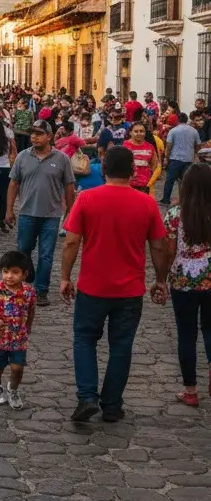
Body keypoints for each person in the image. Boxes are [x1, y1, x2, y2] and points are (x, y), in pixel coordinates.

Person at [61, 146, 168, 423]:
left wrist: (64, 277)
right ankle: (111, 404)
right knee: (121, 346)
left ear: (103, 169)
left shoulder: (86, 200)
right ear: (133, 171)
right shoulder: (147, 204)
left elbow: (71, 242)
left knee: (85, 339)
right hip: (130, 290)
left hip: (92, 286)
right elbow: (158, 247)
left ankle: (87, 396)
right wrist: (160, 279)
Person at [6, 122, 76, 307]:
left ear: (49, 136)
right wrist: (9, 210)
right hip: (27, 213)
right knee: (24, 250)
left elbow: (69, 186)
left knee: (46, 254)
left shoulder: (61, 159)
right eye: (32, 134)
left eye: (39, 134)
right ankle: (30, 277)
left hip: (51, 215)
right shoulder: (22, 157)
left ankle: (41, 290)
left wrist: (71, 210)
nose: (34, 137)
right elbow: (13, 184)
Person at [164, 165, 211, 406]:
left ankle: (191, 390)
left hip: (183, 280)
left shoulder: (174, 215)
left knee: (186, 334)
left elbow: (168, 251)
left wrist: (161, 279)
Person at [0, 249, 36, 410]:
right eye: (5, 272)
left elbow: (31, 310)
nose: (9, 276)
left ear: (24, 274)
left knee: (18, 368)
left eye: (15, 272)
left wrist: (28, 327)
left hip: (18, 337)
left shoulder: (28, 292)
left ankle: (13, 389)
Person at [161, 111, 202, 205]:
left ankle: (166, 199)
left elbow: (169, 145)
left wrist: (166, 158)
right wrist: (194, 152)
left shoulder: (173, 130)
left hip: (175, 158)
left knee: (170, 180)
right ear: (187, 120)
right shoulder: (194, 130)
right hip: (188, 159)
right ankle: (185, 199)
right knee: (186, 180)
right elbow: (198, 145)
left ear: (178, 120)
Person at [122, 121, 161, 194]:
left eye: (141, 131)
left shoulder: (150, 146)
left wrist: (147, 174)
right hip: (128, 184)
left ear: (145, 133)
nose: (139, 133)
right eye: (136, 131)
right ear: (130, 133)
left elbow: (154, 164)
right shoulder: (125, 145)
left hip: (144, 184)